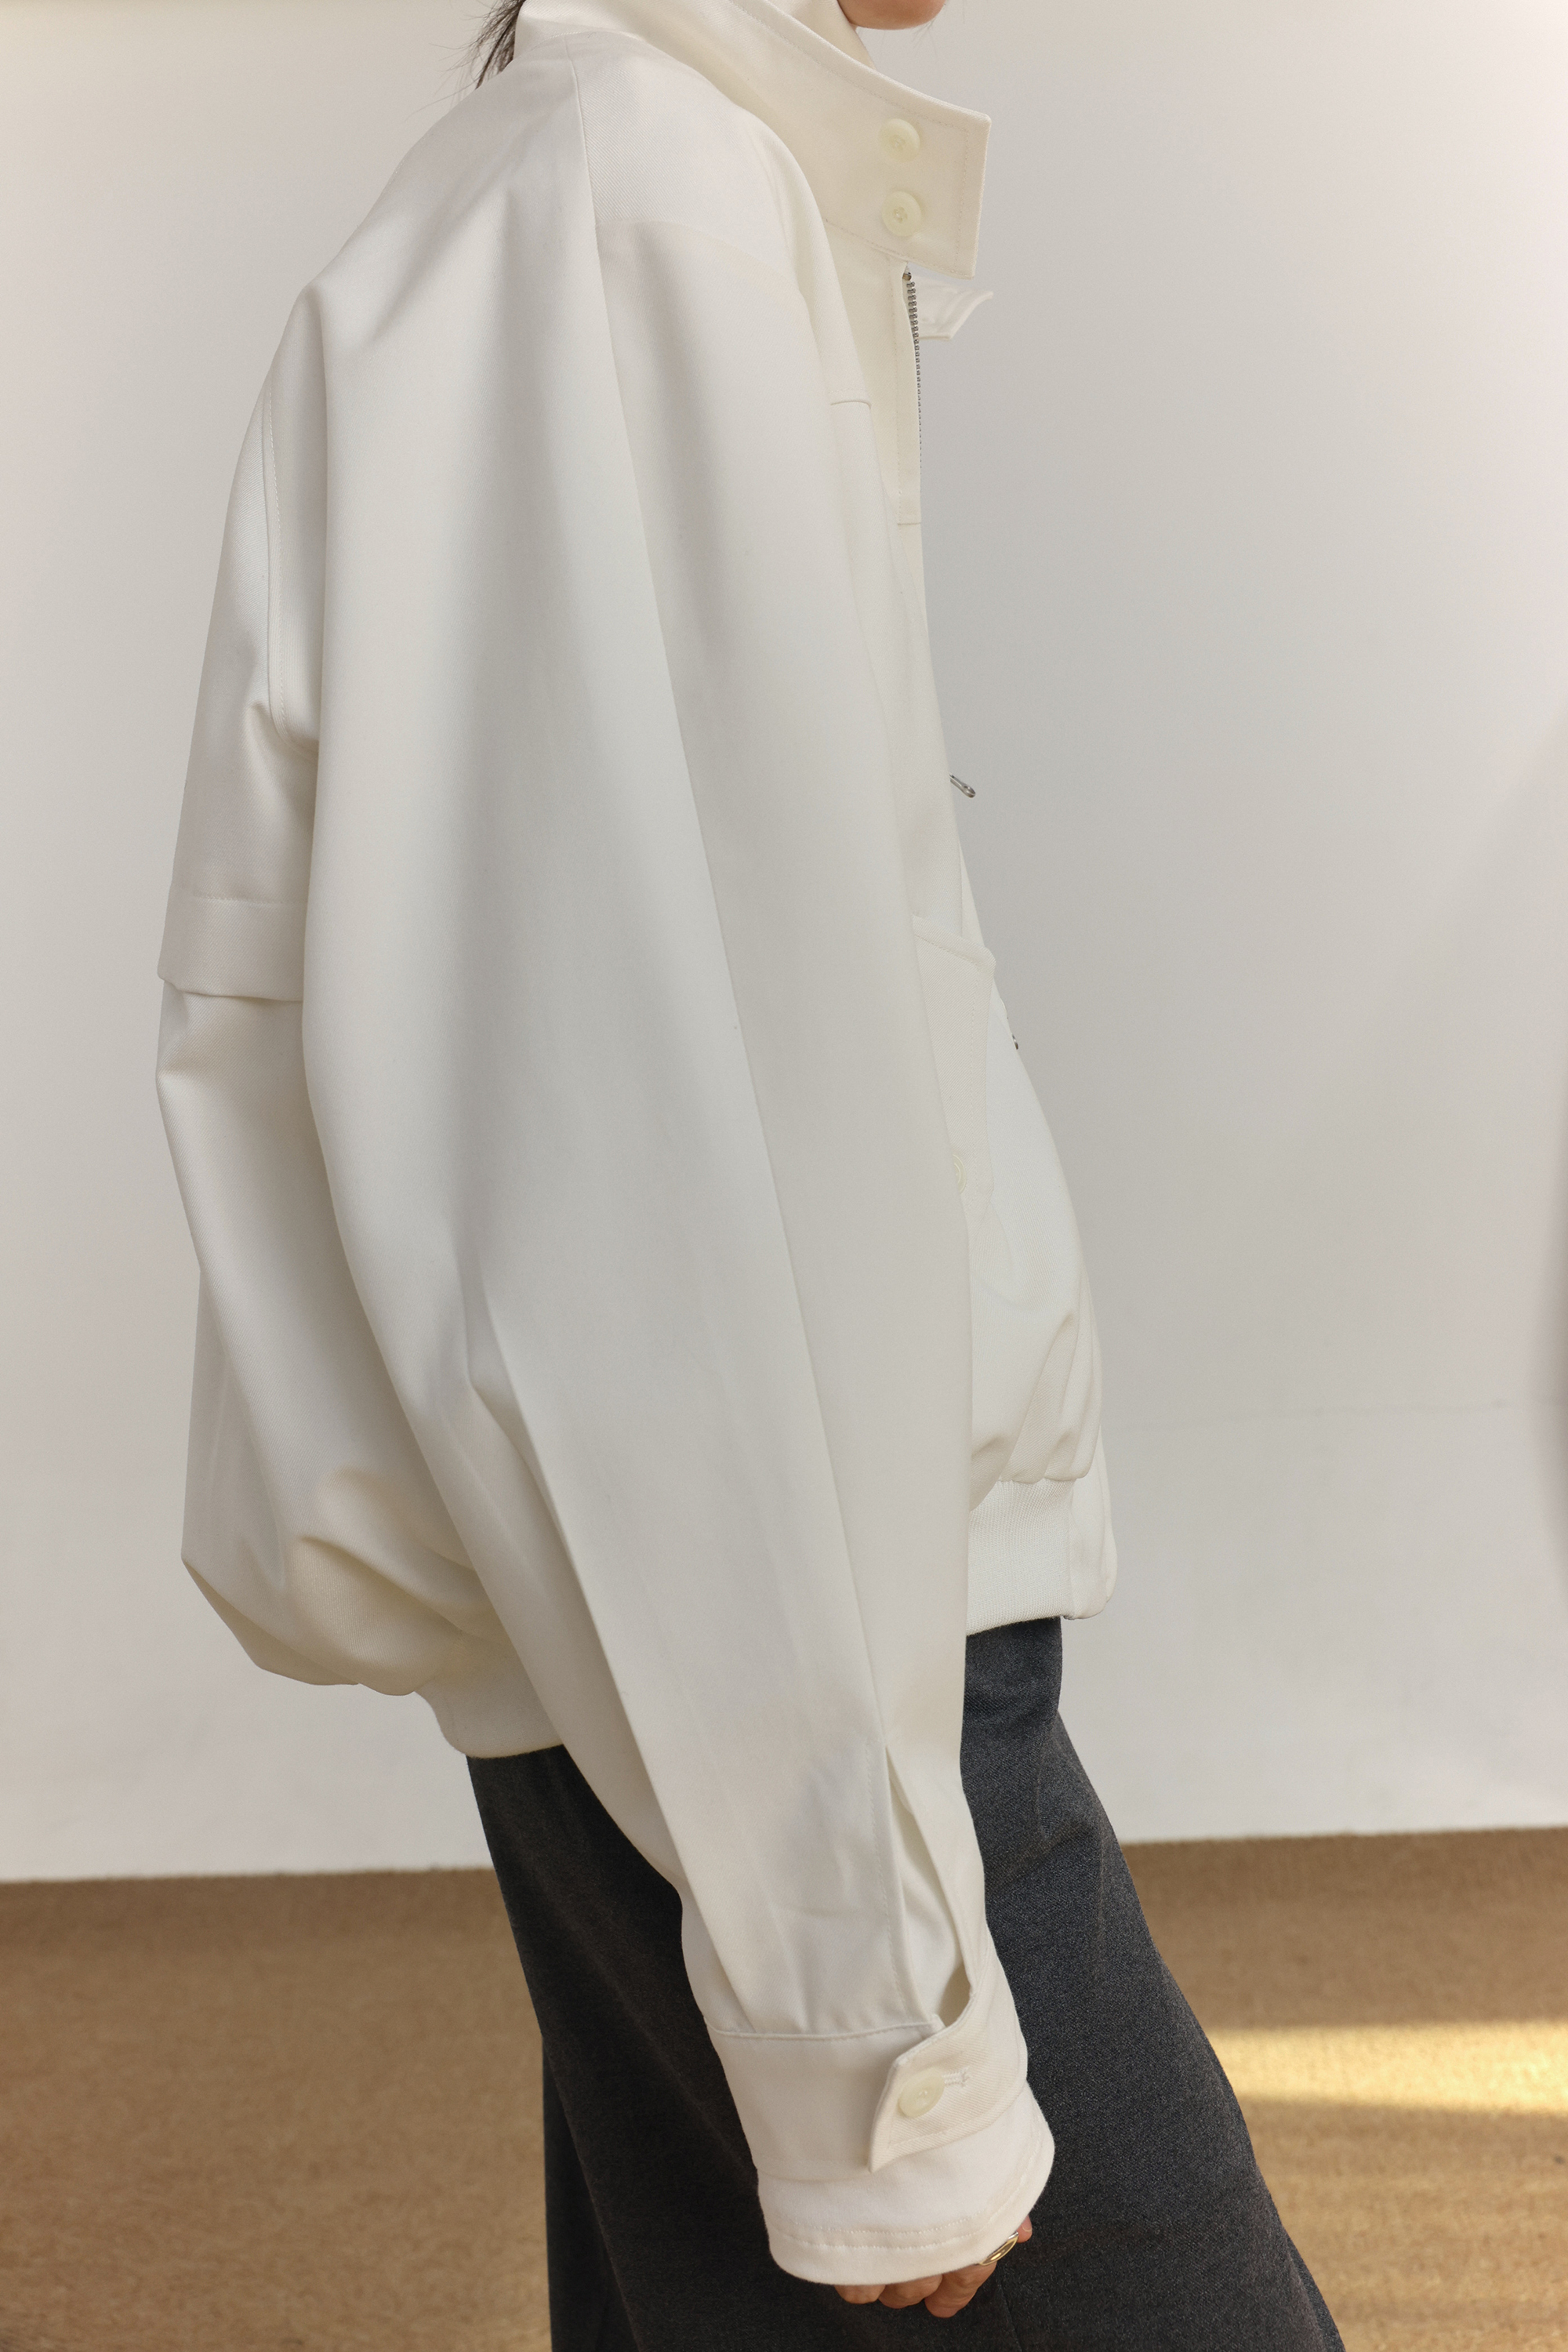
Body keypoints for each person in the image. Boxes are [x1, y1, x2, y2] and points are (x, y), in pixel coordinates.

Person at [155, 0, 1345, 2339]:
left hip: (700, 1672)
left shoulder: (591, 183)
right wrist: (873, 2019)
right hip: (799, 1691)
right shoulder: (640, 202)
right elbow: (630, 1174)